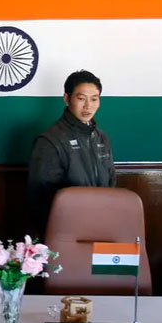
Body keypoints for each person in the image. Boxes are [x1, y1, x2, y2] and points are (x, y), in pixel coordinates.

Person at [27, 70, 116, 236]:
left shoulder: (102, 138)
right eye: (81, 98)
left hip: (102, 226)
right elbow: (40, 200)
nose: (88, 106)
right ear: (67, 99)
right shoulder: (50, 141)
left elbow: (111, 184)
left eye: (94, 99)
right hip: (66, 232)